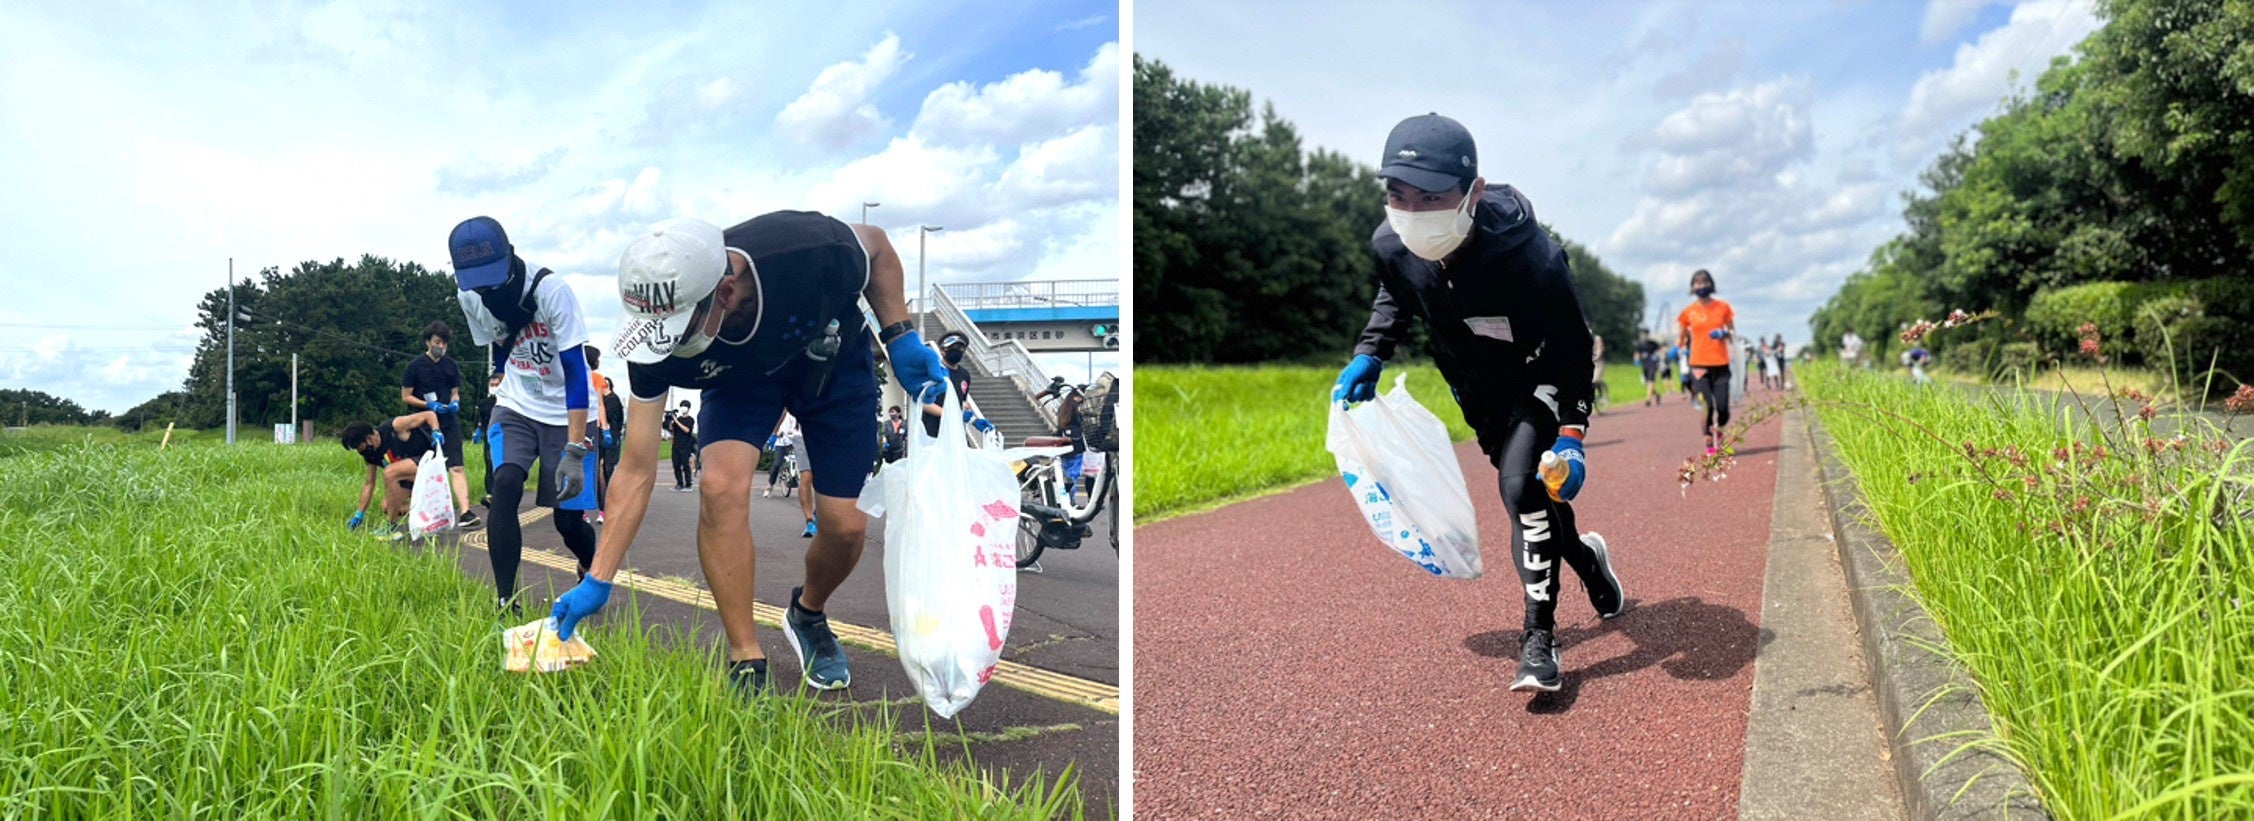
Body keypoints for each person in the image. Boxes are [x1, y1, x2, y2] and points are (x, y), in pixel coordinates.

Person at [547, 212, 948, 696]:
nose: (665, 345)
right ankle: (746, 657)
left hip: (831, 366)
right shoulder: (652, 344)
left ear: (724, 293)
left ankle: (808, 614)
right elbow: (635, 468)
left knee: (845, 526)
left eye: (677, 329)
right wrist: (599, 577)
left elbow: (878, 247)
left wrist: (899, 333)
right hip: (739, 385)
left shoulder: (806, 249)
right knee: (718, 486)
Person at [1333, 113, 1625, 694]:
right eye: (1398, 195)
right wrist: (1373, 351)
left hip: (1539, 372)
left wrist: (1572, 434)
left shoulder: (1530, 255)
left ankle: (1538, 642)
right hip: (1475, 389)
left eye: (1433, 197)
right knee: (1532, 499)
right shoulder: (1391, 243)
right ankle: (1590, 563)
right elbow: (1397, 289)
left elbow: (1572, 346)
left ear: (1474, 193)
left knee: (1519, 489)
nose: (1414, 212)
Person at [446, 215, 599, 613]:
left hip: (569, 411)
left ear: (510, 255)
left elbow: (577, 371)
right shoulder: (468, 296)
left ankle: (588, 565)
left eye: (493, 278)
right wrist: (501, 381)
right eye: (477, 282)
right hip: (516, 403)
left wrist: (575, 448)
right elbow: (497, 342)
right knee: (506, 484)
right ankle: (505, 599)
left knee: (567, 520)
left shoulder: (552, 291)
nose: (487, 289)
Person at [402, 321, 482, 529]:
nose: (441, 347)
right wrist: (429, 405)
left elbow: (455, 391)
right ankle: (416, 513)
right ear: (428, 342)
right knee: (422, 469)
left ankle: (465, 512)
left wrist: (455, 402)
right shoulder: (415, 366)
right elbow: (406, 396)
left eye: (444, 343)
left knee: (456, 466)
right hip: (423, 425)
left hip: (448, 423)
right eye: (437, 342)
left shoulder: (451, 366)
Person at [339, 410, 445, 538]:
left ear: (370, 438)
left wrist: (436, 431)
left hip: (430, 465)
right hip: (412, 477)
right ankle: (434, 510)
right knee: (388, 507)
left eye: (361, 448)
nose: (362, 453)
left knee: (390, 472)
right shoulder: (370, 455)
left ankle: (391, 527)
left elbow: (428, 415)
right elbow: (369, 483)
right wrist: (358, 514)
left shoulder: (394, 427)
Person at [1676, 269, 1736, 455]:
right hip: (1699, 365)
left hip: (1721, 364)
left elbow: (1733, 333)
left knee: (1723, 408)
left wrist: (1724, 333)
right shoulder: (1688, 312)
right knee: (1707, 405)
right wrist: (1678, 352)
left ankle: (1719, 429)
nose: (1701, 286)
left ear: (1711, 284)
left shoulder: (1723, 307)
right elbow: (1681, 339)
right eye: (1697, 283)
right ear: (1692, 287)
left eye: (1704, 282)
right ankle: (1708, 439)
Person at [589, 345, 626, 493]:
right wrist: (603, 427)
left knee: (603, 465)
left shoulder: (613, 399)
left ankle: (604, 492)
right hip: (601, 431)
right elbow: (600, 407)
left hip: (602, 432)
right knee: (600, 465)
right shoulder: (596, 378)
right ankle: (604, 495)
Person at [668, 400, 698, 491]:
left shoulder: (690, 420)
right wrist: (671, 420)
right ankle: (679, 483)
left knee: (685, 465)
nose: (683, 407)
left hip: (686, 446)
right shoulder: (678, 419)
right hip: (676, 445)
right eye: (682, 406)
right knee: (676, 465)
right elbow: (671, 430)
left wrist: (676, 421)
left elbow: (687, 430)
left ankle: (688, 484)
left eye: (685, 406)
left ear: (688, 408)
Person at [1635, 335, 1664, 406]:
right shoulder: (1640, 345)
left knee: (1651, 381)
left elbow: (1661, 351)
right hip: (1645, 366)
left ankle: (1648, 399)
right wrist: (1636, 360)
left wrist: (1662, 360)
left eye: (1645, 334)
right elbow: (1637, 353)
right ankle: (1657, 395)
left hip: (1653, 365)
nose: (1644, 336)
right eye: (1642, 334)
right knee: (1646, 383)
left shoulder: (1653, 343)